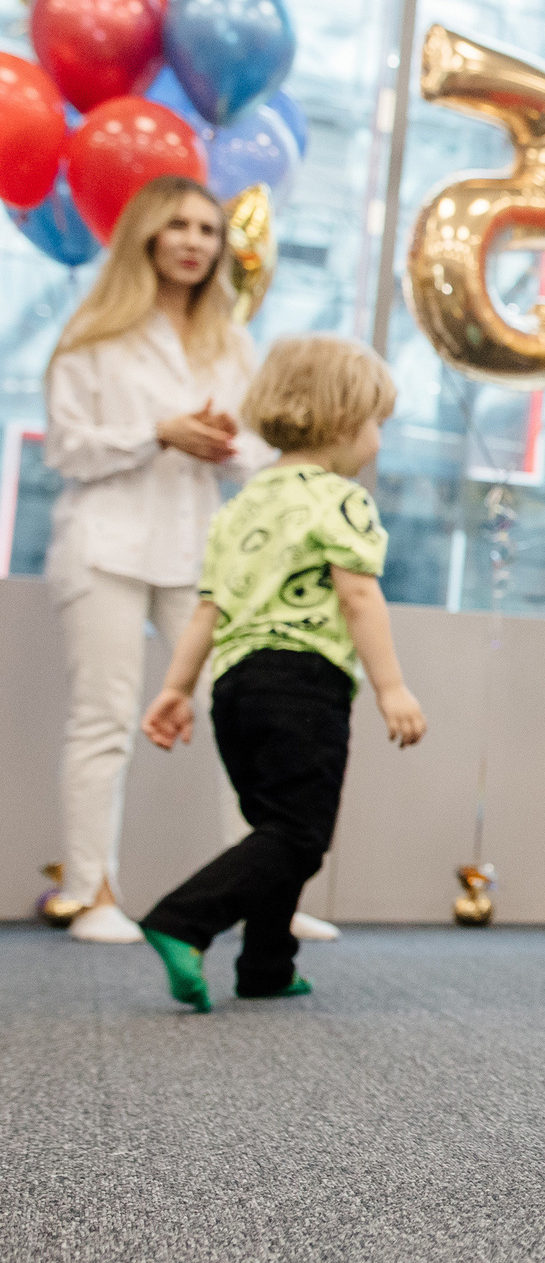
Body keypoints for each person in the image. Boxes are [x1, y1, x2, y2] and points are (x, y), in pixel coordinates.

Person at [39, 175, 306, 946]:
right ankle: (92, 893)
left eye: (208, 229)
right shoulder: (93, 332)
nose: (195, 240)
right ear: (147, 235)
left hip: (197, 554)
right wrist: (156, 430)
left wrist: (223, 443)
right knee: (103, 721)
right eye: (179, 225)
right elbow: (66, 447)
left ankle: (264, 897)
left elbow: (256, 453)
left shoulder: (233, 341)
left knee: (242, 719)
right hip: (104, 549)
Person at [133, 335, 422, 1011]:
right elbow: (358, 596)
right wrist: (391, 687)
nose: (377, 439)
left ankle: (267, 963)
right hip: (303, 683)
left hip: (233, 687)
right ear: (344, 421)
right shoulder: (341, 501)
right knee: (298, 832)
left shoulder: (242, 506)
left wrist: (176, 689)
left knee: (273, 823)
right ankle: (182, 918)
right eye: (376, 422)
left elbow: (208, 609)